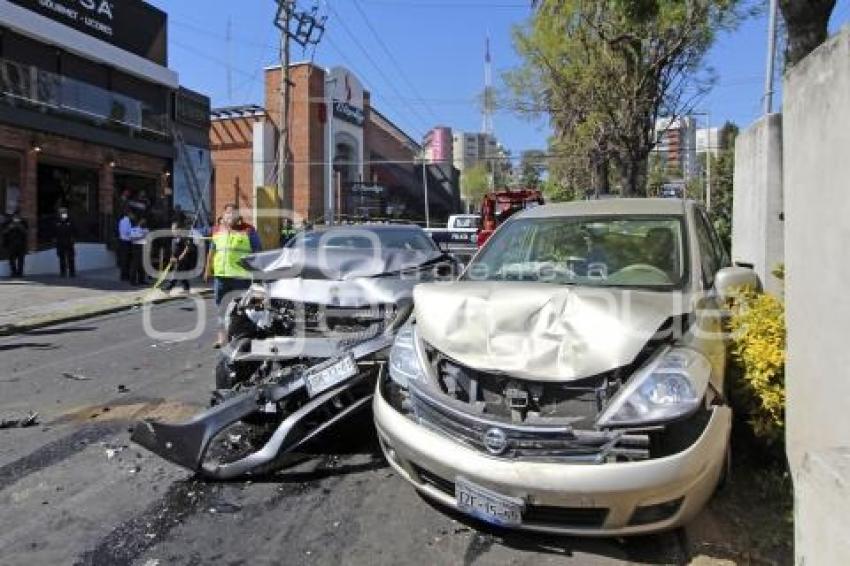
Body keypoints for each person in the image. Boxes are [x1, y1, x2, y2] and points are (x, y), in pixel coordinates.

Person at [205, 204, 261, 348]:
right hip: (221, 277)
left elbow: (257, 251)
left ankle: (242, 337)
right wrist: (207, 269)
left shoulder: (248, 230)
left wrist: (258, 274)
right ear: (223, 216)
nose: (230, 216)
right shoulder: (217, 231)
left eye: (233, 213)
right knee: (221, 309)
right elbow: (212, 251)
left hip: (241, 278)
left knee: (243, 309)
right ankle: (222, 339)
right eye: (227, 213)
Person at [162, 220, 193, 293]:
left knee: (175, 273)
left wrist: (181, 257)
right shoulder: (174, 239)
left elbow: (187, 248)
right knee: (181, 275)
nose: (173, 231)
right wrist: (171, 257)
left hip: (182, 260)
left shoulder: (184, 237)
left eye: (174, 229)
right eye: (172, 229)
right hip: (175, 259)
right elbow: (173, 250)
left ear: (179, 229)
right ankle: (186, 288)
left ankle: (169, 287)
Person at [2, 210, 28, 278]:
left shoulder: (23, 222)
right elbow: (4, 232)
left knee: (21, 260)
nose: (16, 217)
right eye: (15, 216)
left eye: (18, 216)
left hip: (21, 245)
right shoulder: (8, 222)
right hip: (11, 244)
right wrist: (10, 227)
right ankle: (13, 272)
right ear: (13, 216)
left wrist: (19, 226)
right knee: (12, 260)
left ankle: (20, 273)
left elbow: (26, 232)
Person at [55, 207, 75, 277]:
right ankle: (63, 272)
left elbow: (74, 230)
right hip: (60, 242)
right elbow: (54, 232)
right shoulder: (57, 222)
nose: (63, 214)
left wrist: (73, 239)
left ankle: (72, 272)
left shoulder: (70, 221)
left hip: (69, 242)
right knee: (62, 259)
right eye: (61, 213)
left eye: (64, 212)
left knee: (71, 258)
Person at [129, 217, 149, 286]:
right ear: (139, 221)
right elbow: (132, 239)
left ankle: (141, 280)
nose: (144, 223)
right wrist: (142, 236)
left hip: (144, 247)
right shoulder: (134, 229)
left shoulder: (146, 229)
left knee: (142, 265)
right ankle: (133, 281)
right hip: (136, 247)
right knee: (135, 264)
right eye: (142, 221)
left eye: (145, 222)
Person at [117, 208, 133, 281]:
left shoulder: (122, 220)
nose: (132, 216)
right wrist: (133, 233)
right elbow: (126, 231)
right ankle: (124, 276)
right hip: (125, 241)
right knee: (125, 259)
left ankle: (124, 275)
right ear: (129, 214)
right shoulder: (126, 221)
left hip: (123, 241)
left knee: (125, 259)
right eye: (131, 214)